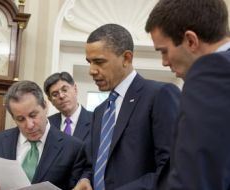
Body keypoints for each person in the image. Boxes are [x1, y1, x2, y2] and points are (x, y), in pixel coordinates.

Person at [75, 23, 181, 190]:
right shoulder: (99, 111)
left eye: (99, 62)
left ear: (126, 58)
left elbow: (171, 170)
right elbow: (93, 163)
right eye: (89, 62)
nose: (91, 71)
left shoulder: (159, 95)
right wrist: (86, 179)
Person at [145, 0, 230, 189]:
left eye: (164, 51)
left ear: (191, 41)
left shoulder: (213, 71)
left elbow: (196, 179)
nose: (164, 62)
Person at [0, 80, 87, 190]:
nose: (29, 125)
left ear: (45, 106)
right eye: (20, 119)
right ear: (13, 118)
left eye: (33, 115)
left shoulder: (73, 148)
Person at [44, 72, 92, 141]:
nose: (61, 96)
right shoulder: (47, 124)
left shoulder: (95, 120)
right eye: (55, 94)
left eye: (64, 90)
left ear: (75, 89)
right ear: (50, 100)